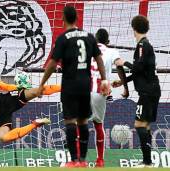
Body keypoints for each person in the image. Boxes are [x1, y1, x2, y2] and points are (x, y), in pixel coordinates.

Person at [36, 6, 109, 168]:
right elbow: (99, 59)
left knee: (70, 121)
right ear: (76, 18)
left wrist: (42, 84)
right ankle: (83, 160)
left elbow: (52, 64)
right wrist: (104, 80)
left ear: (63, 19)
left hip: (69, 85)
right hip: (85, 85)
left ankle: (74, 160)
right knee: (83, 121)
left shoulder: (63, 38)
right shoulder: (89, 37)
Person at [115, 15, 161, 168]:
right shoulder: (145, 45)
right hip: (152, 90)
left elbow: (138, 68)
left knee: (139, 124)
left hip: (147, 92)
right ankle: (148, 162)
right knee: (145, 125)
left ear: (133, 29)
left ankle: (147, 162)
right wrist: (123, 81)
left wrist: (124, 63)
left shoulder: (142, 45)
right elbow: (139, 72)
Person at [90, 28, 128, 167]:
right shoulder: (112, 51)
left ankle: (77, 160)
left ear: (95, 40)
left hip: (83, 89)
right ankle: (100, 160)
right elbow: (119, 64)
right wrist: (124, 84)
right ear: (108, 42)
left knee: (78, 124)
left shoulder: (88, 49)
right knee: (98, 125)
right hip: (101, 91)